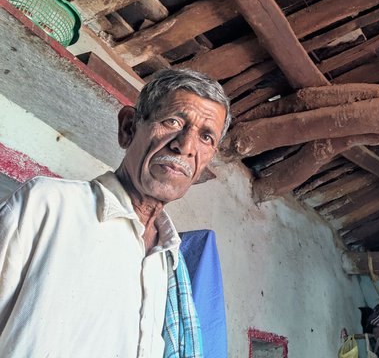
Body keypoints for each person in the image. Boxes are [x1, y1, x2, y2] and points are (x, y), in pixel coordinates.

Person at [0, 69, 230, 358]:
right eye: (172, 121)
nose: (185, 146)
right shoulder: (47, 204)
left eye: (206, 137)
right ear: (129, 128)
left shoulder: (168, 261)